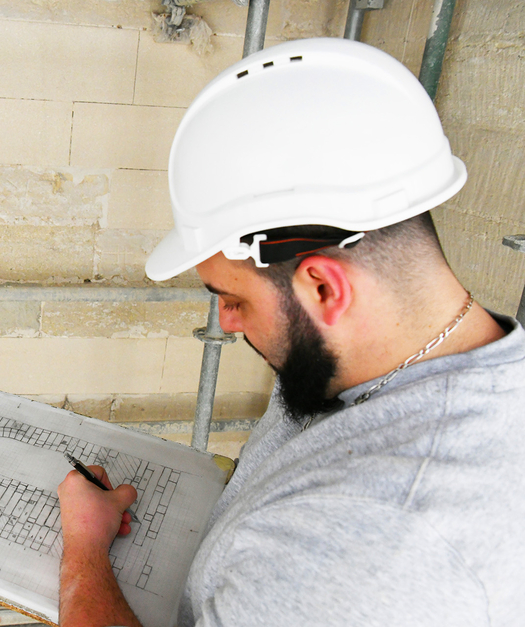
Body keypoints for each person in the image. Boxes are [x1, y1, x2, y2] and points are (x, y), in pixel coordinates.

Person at [57, 38, 525, 627]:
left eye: (233, 298)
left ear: (324, 288)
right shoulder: (375, 363)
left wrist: (83, 548)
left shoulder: (371, 549)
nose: (226, 321)